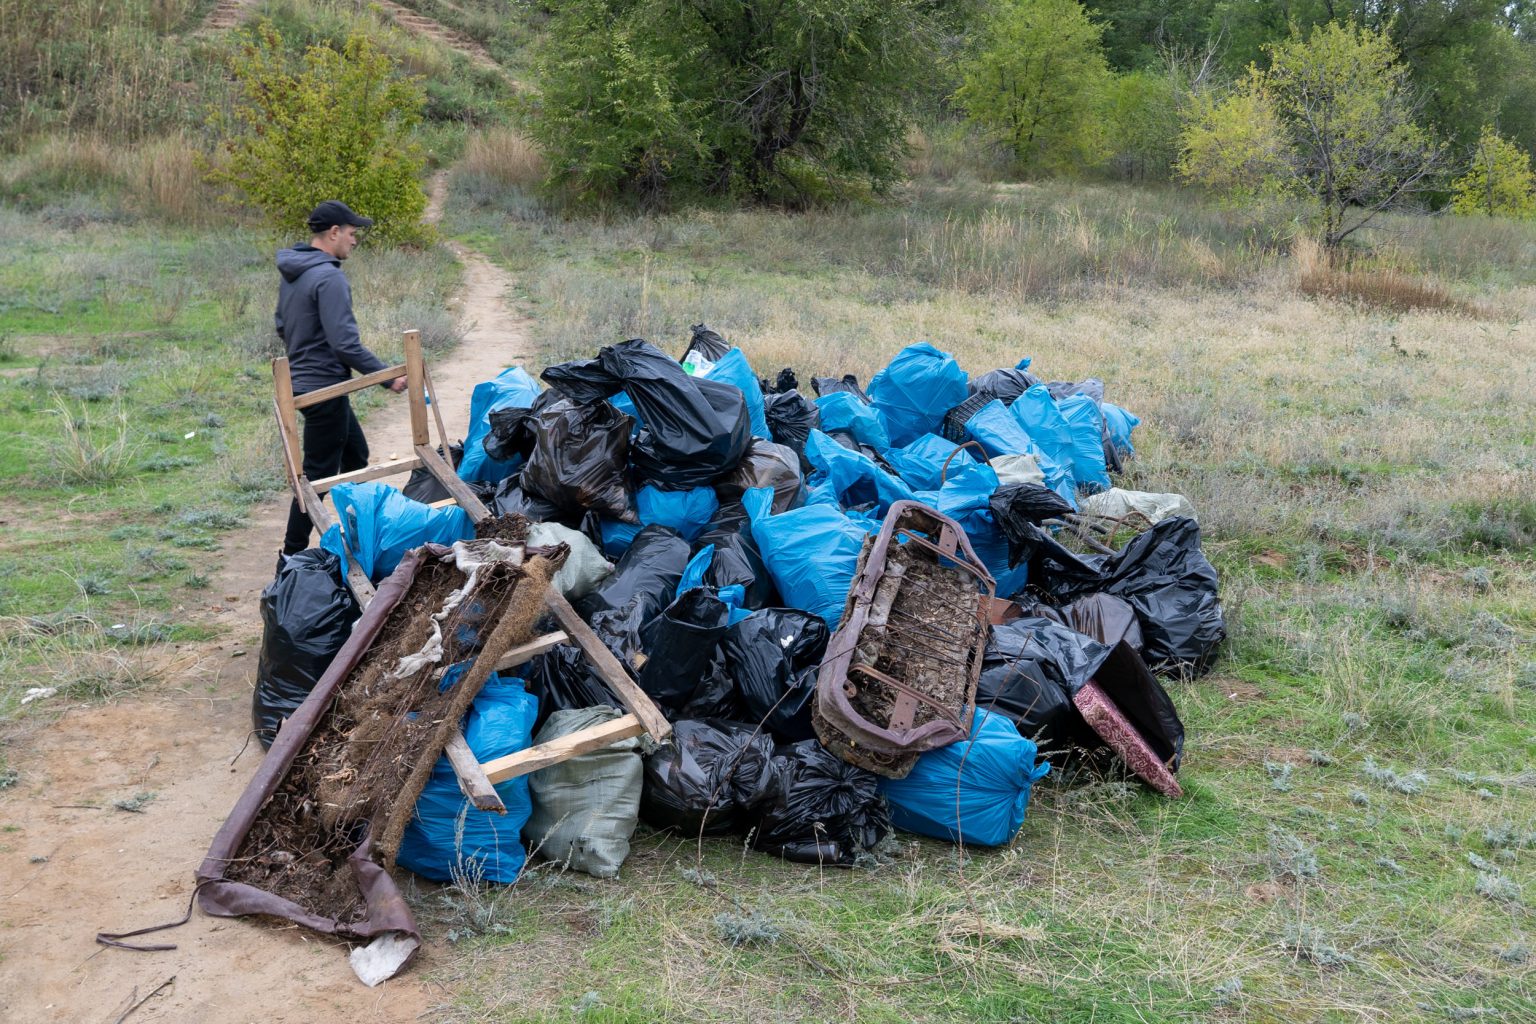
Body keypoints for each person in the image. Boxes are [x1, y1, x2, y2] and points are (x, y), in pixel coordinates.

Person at [276, 200, 406, 564]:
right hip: (325, 389)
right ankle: (289, 559)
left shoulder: (295, 273)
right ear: (333, 233)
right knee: (315, 480)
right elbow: (345, 343)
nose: (354, 240)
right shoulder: (328, 276)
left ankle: (362, 535)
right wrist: (387, 377)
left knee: (355, 456)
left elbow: (282, 326)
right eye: (352, 233)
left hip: (306, 385)